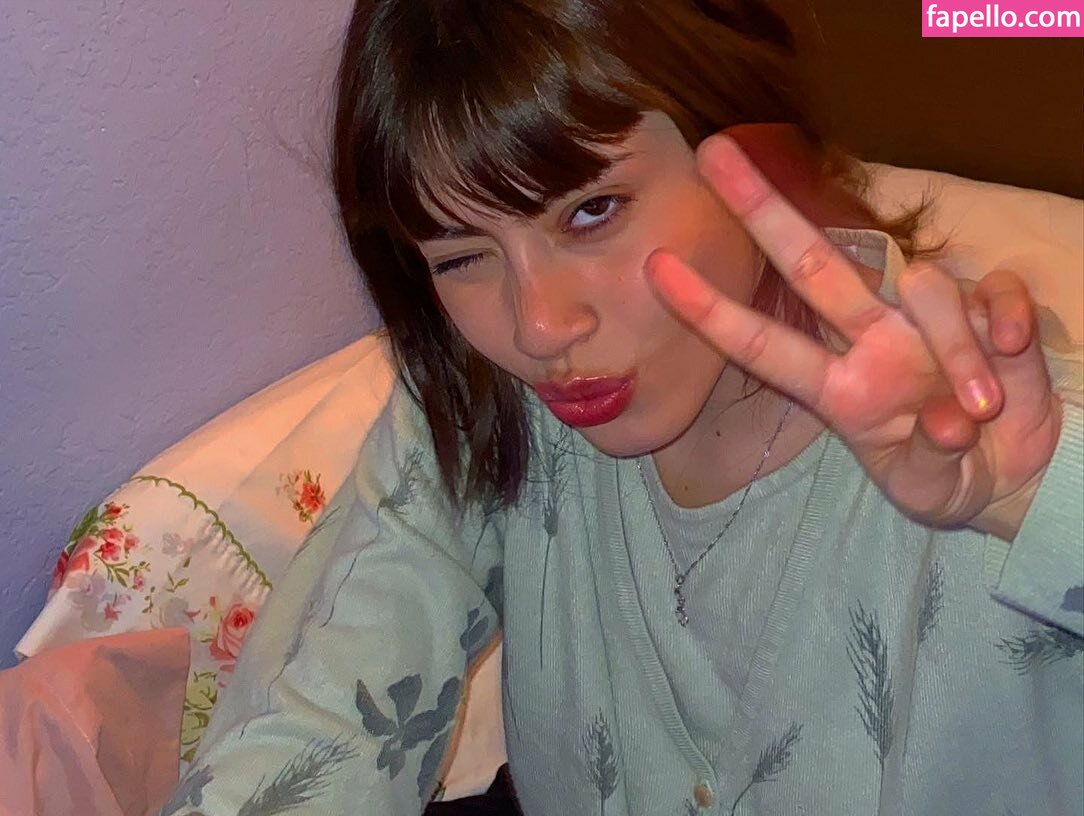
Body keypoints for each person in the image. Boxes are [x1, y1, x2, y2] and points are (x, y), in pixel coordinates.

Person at [160, 1, 1083, 814]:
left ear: (756, 150)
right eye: (461, 255)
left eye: (593, 211)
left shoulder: (990, 441)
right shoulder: (484, 399)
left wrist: (1039, 501)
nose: (540, 325)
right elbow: (316, 722)